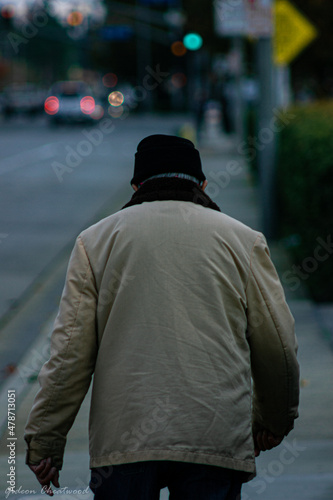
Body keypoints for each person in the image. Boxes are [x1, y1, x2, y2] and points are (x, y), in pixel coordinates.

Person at [25, 135, 300, 499]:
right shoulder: (243, 241)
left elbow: (68, 355)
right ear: (201, 184)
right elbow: (278, 347)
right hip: (213, 437)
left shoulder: (94, 242)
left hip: (123, 442)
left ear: (137, 185)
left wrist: (45, 441)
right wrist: (272, 420)